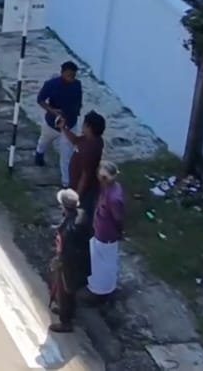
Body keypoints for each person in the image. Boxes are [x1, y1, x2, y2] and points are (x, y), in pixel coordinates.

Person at [35, 61, 84, 188]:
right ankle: (39, 154)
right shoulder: (51, 84)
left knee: (66, 155)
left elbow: (79, 102)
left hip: (69, 125)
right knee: (44, 141)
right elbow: (40, 100)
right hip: (52, 123)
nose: (71, 79)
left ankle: (66, 183)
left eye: (73, 76)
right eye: (68, 75)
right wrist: (53, 111)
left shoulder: (77, 85)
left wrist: (74, 113)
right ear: (62, 73)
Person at [50, 188, 92, 334]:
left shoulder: (69, 229)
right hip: (80, 261)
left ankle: (65, 321)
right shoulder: (81, 215)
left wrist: (58, 261)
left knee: (65, 292)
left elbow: (67, 252)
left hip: (69, 265)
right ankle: (67, 311)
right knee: (70, 291)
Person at [87, 161, 124, 302]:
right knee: (96, 262)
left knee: (102, 266)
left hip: (106, 236)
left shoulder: (114, 198)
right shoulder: (107, 189)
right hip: (99, 232)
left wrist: (118, 232)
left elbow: (118, 218)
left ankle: (100, 291)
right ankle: (97, 288)